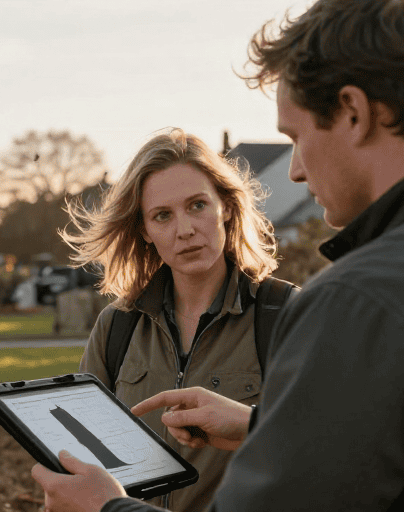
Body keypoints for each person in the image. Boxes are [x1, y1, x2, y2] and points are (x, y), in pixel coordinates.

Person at [32, 0, 404, 511]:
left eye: (296, 136)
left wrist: (105, 508)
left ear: (355, 113)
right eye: (162, 215)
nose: (294, 170)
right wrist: (260, 425)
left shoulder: (361, 302)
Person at [59, 128, 295, 512]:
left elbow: (326, 447)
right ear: (145, 231)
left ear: (227, 207)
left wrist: (251, 422)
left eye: (198, 205)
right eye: (163, 215)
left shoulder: (285, 315)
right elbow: (83, 457)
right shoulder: (116, 326)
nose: (184, 230)